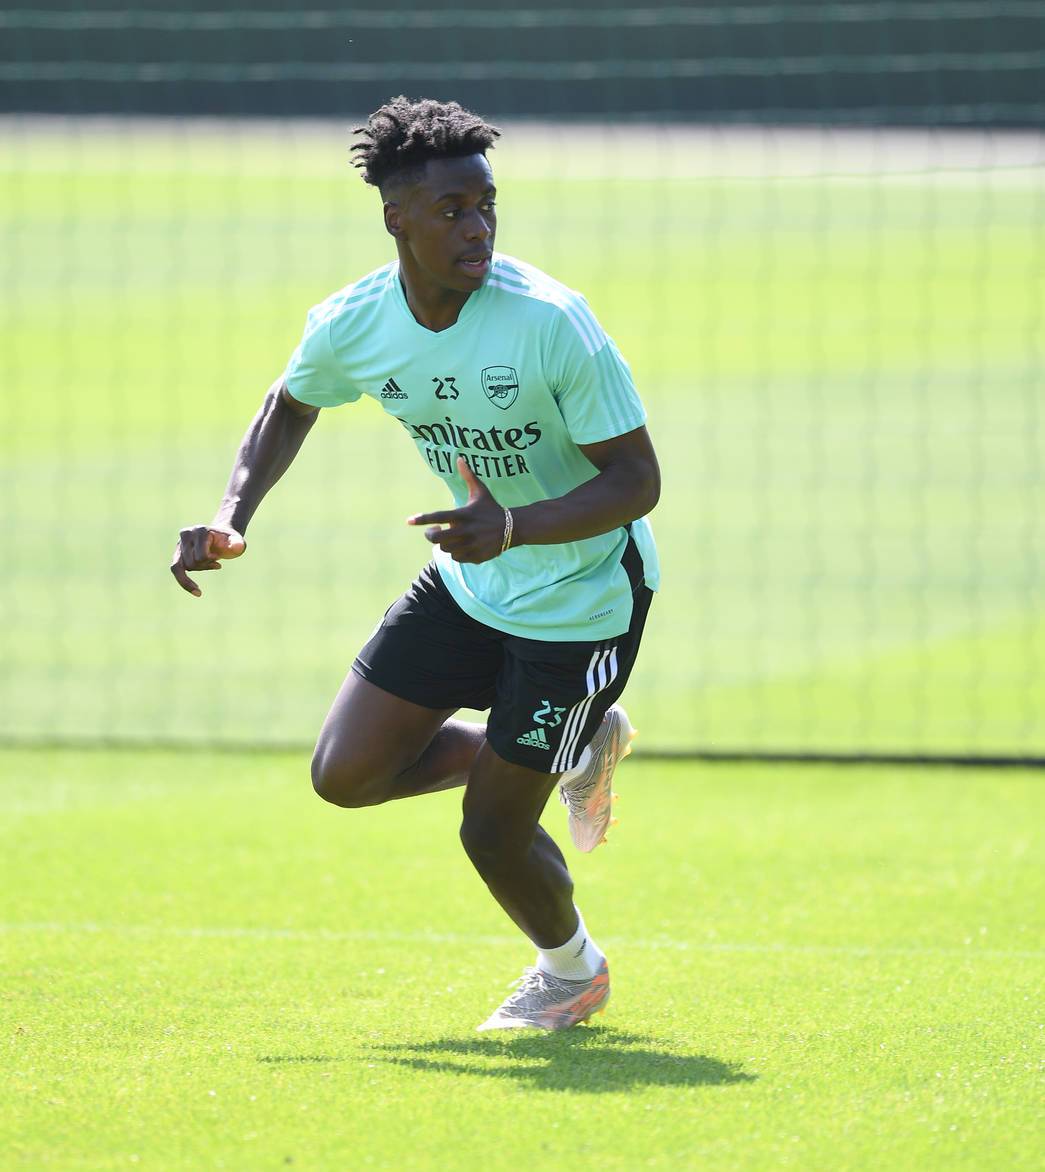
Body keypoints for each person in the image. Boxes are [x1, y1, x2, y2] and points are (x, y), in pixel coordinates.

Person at [170, 96, 661, 1031]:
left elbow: (637, 482)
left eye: (485, 206)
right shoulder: (354, 321)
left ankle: (571, 974)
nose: (475, 227)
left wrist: (513, 527)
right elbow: (290, 402)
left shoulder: (551, 321)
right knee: (345, 775)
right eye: (449, 210)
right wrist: (231, 516)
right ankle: (572, 749)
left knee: (491, 830)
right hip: (473, 580)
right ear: (396, 218)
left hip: (581, 599)